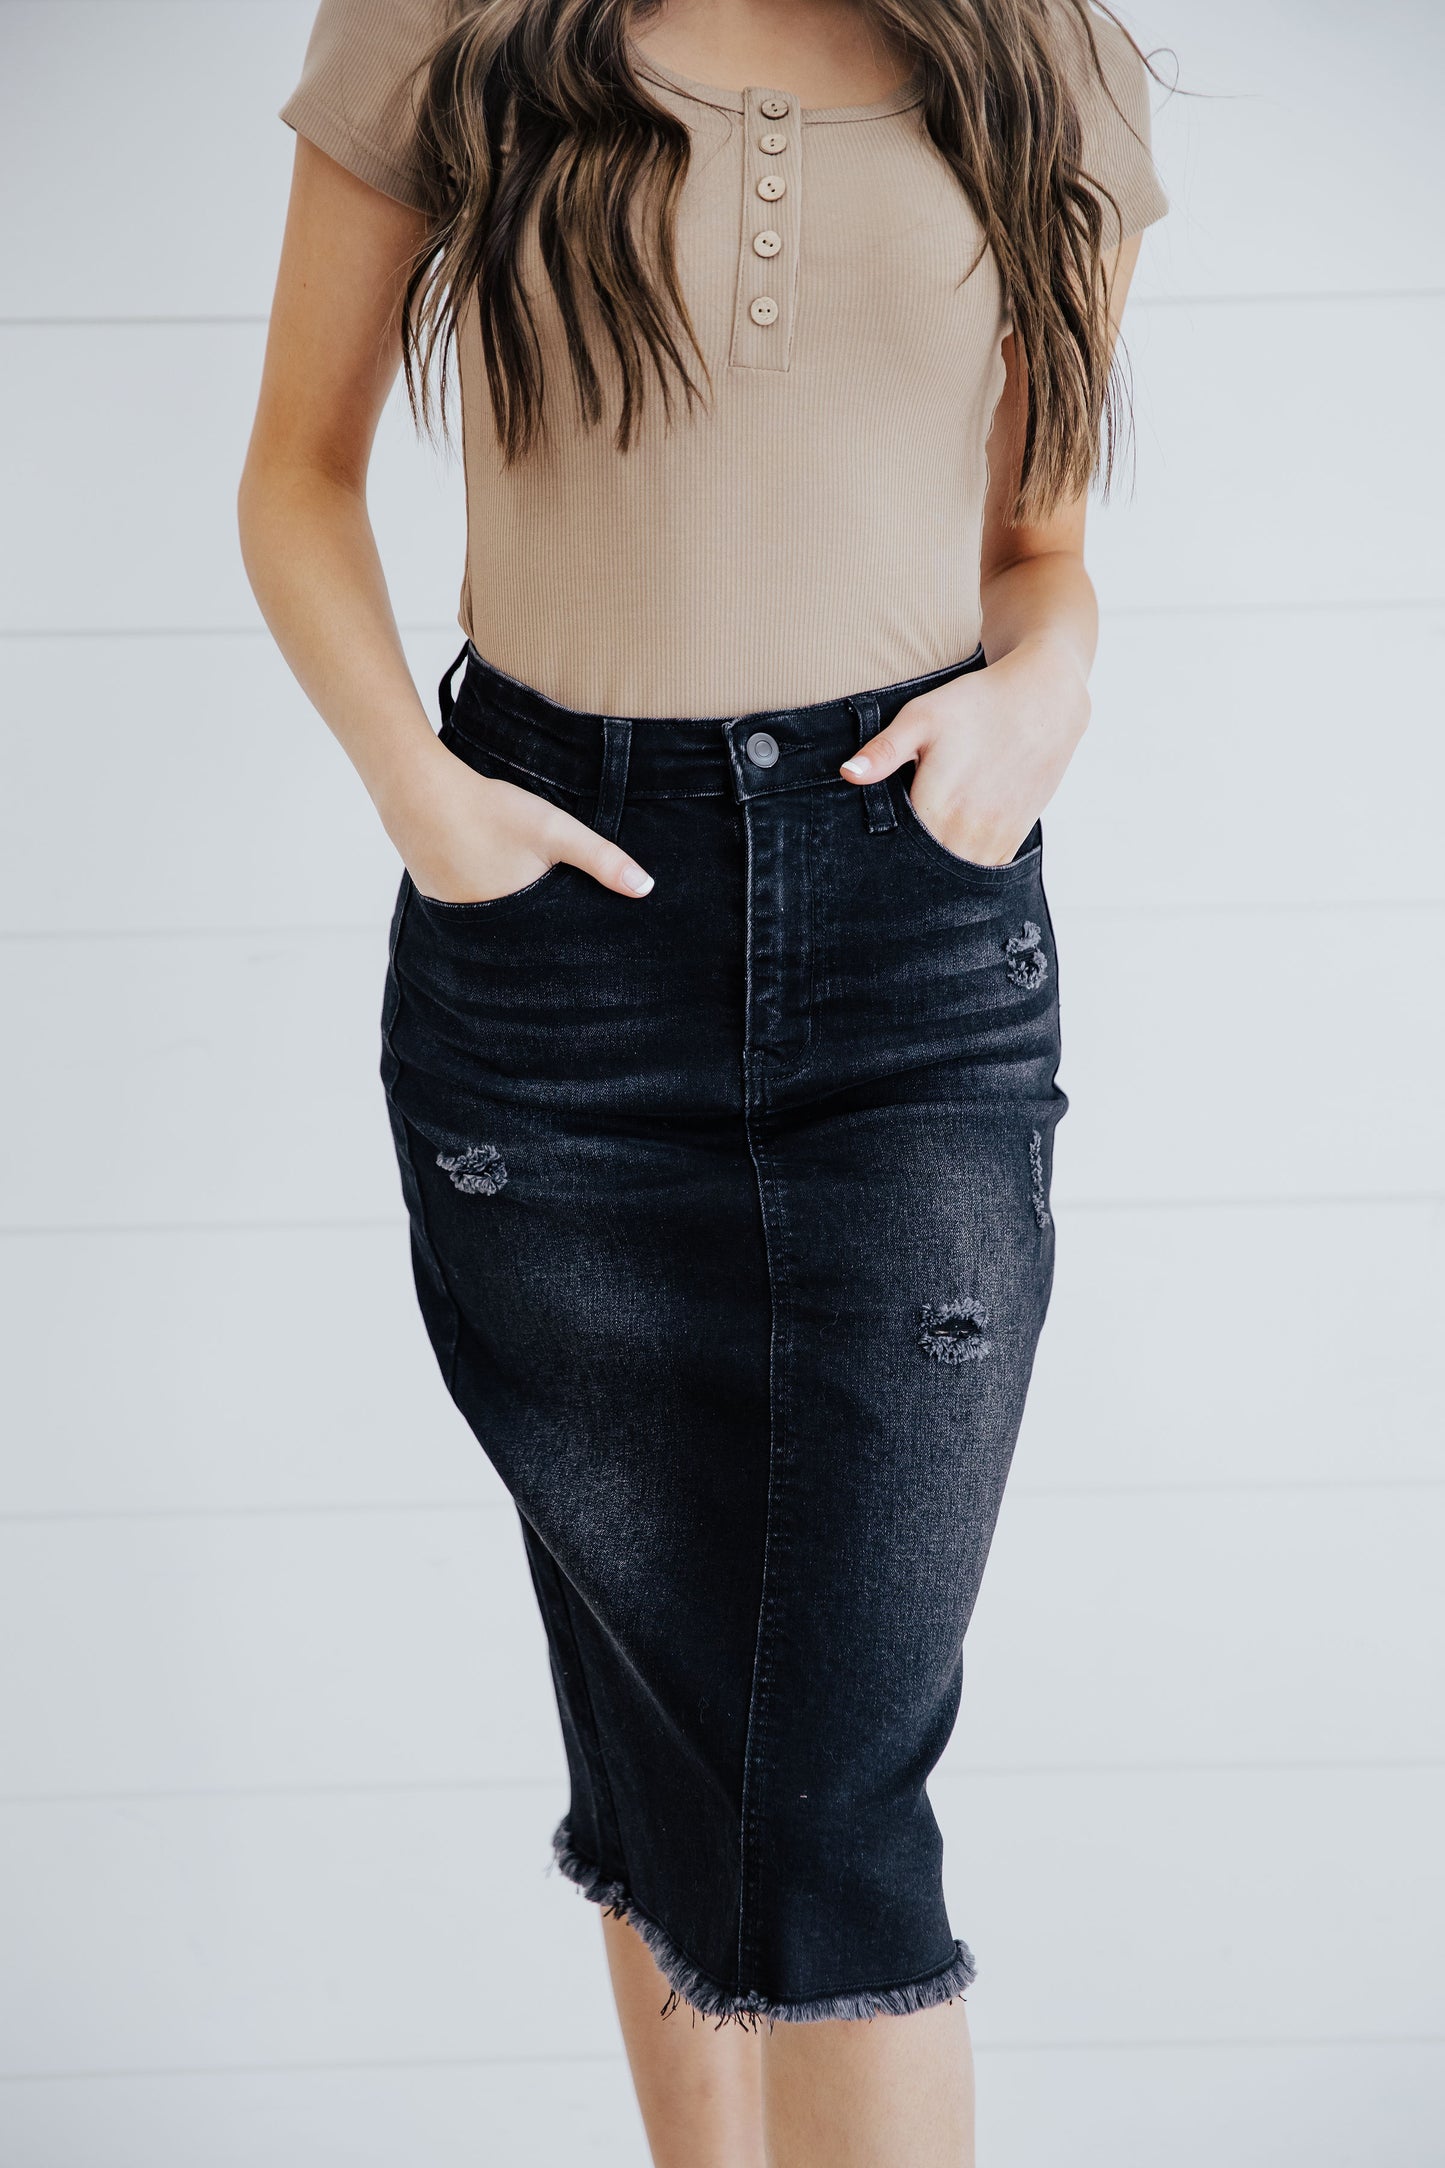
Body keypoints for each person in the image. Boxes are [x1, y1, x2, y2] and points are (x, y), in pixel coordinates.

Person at [239, 1, 1167, 2158]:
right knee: (670, 1714)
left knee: (826, 1780)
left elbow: (1044, 548)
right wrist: (424, 795)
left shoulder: (1050, 51)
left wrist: (1056, 682)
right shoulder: (450, 17)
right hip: (552, 942)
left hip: (910, 936)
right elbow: (294, 466)